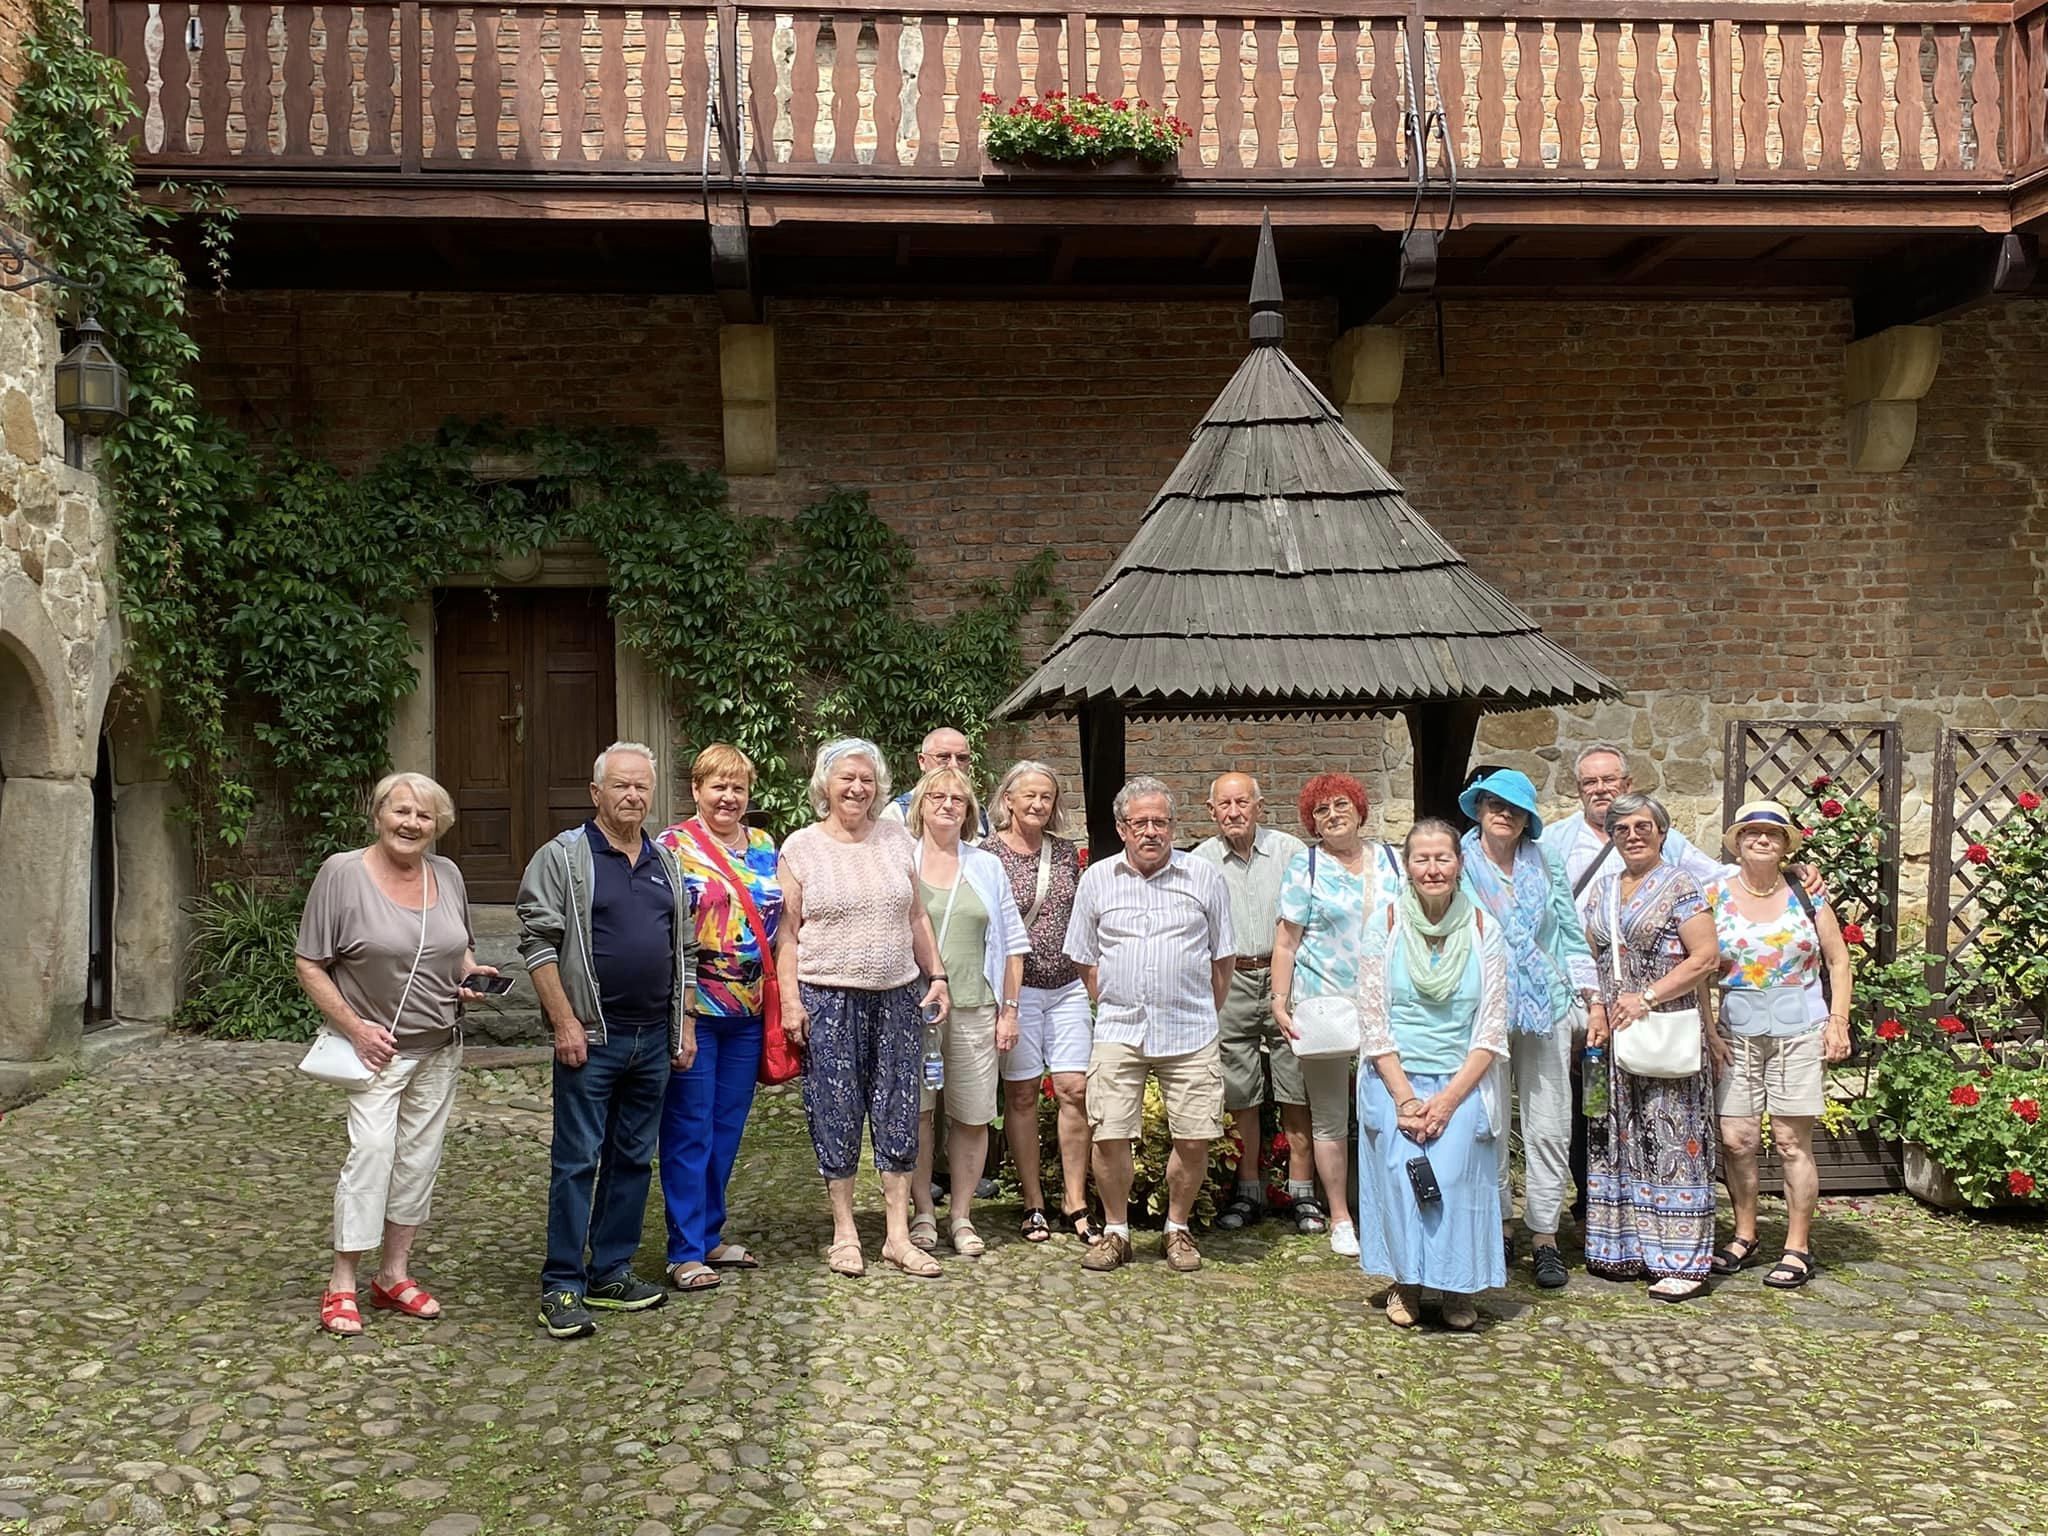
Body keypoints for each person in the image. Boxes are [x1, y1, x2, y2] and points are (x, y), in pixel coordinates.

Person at [297, 772, 496, 1337]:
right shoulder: (342, 873)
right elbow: (310, 962)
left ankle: (393, 1276)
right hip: (376, 1052)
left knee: (418, 1159)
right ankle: (341, 1283)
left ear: (438, 826)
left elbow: (458, 949)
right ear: (379, 814)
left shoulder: (447, 874)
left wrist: (470, 976)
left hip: (439, 1046)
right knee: (372, 1155)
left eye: (424, 816)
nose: (411, 823)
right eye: (401, 811)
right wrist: (355, 1027)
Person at [519, 742, 698, 1340]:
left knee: (631, 1159)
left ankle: (612, 1270)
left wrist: (686, 1024)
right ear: (596, 793)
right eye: (621, 786)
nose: (633, 796)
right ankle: (563, 1284)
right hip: (591, 1036)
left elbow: (686, 953)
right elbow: (539, 944)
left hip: (653, 1038)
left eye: (642, 787)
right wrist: (564, 1022)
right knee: (576, 1162)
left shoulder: (665, 863)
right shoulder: (564, 857)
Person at [777, 738, 951, 1279]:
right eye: (846, 778)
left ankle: (897, 1236)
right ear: (824, 786)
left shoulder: (897, 837)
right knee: (835, 1110)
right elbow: (786, 935)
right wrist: (788, 1000)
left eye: (867, 779)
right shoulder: (801, 847)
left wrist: (938, 975)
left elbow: (917, 916)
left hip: (897, 996)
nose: (857, 788)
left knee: (899, 1109)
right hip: (826, 997)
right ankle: (845, 1231)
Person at [1063, 776, 1234, 1273]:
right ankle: (1116, 1231)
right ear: (1122, 828)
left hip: (1190, 1029)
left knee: (1196, 1136)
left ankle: (1176, 1228)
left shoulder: (1202, 875)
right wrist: (1118, 999)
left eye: (1161, 822)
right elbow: (1085, 959)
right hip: (1120, 1028)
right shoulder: (1097, 879)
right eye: (1141, 823)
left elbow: (1221, 959)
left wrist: (1197, 1005)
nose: (1152, 832)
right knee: (1109, 1132)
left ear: (1174, 826)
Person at [1354, 819, 1510, 1330]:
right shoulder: (1386, 924)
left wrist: (1445, 1101)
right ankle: (1407, 1279)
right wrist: (1404, 1098)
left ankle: (1456, 1286)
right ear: (1408, 866)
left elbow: (1490, 1028)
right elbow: (1373, 1017)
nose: (1433, 867)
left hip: (1461, 1082)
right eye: (1421, 858)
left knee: (1456, 1179)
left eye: (1442, 857)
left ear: (1459, 864)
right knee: (1402, 1182)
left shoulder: (1485, 928)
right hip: (1394, 1077)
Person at [1456, 767, 1602, 1290]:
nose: (1504, 813)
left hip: (1547, 1004)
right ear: (1477, 808)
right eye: (1494, 803)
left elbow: (1569, 932)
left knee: (1549, 1123)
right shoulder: (1459, 862)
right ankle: (1499, 1225)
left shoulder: (1546, 862)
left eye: (1515, 808)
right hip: (1483, 1006)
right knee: (1489, 1123)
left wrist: (1594, 999)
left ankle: (1544, 1234)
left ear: (1527, 820)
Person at [1581, 793, 1728, 1302]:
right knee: (1611, 1133)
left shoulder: (1681, 885)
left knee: (1670, 1137)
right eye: (1622, 829)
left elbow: (1705, 957)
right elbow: (1589, 955)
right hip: (1609, 1033)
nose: (1633, 835)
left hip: (1665, 1025)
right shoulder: (1602, 890)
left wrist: (1646, 998)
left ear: (1662, 832)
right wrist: (1596, 1007)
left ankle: (1682, 1260)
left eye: (1644, 826)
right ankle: (1622, 1248)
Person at [1706, 799, 1855, 1290]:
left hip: (1799, 1029)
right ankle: (1745, 1234)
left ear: (1787, 843)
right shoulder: (1715, 893)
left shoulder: (1806, 894)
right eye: (1752, 832)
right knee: (1737, 1140)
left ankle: (1797, 1246)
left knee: (1792, 1142)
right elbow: (1700, 966)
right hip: (1737, 1033)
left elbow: (1838, 961)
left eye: (1773, 833)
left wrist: (1838, 1021)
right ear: (1738, 842)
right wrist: (1709, 1031)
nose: (1762, 839)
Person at [654, 742, 781, 1292]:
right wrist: (678, 1012)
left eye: (738, 788)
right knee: (689, 1128)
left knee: (727, 1130)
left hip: (750, 1011)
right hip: (696, 1010)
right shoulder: (672, 847)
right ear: (697, 791)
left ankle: (708, 1234)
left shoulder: (764, 845)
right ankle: (683, 1250)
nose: (729, 797)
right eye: (718, 786)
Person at [1270, 771, 1399, 1258]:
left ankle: (1383, 1207)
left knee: (1386, 1108)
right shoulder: (1305, 868)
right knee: (1329, 1117)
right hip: (1323, 1003)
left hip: (1387, 1003)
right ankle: (1341, 1217)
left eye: (1340, 804)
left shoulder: (1391, 860)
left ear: (1359, 809)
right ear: (1311, 823)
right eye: (1320, 810)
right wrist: (1279, 1001)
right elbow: (1286, 940)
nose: (1332, 816)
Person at [906, 767, 1030, 1257]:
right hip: (911, 1008)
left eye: (958, 798)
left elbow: (1013, 946)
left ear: (970, 810)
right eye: (937, 795)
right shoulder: (901, 859)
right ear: (920, 804)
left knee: (972, 1115)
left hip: (977, 1008)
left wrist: (1010, 1012)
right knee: (915, 1114)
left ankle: (960, 1215)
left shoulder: (986, 866)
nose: (947, 804)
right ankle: (920, 1212)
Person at [1189, 772, 1314, 1233]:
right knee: (1239, 1090)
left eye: (1243, 802)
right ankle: (1248, 1190)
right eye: (1225, 804)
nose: (1234, 812)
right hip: (1229, 977)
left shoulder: (1291, 853)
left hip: (1288, 977)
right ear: (1211, 810)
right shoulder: (1199, 861)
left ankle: (1302, 1191)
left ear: (1259, 806)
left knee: (1294, 1083)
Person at [986, 760, 1097, 1244]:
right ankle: (1033, 1201)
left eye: (1046, 797)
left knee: (1075, 1089)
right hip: (1019, 991)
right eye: (1028, 795)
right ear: (1007, 799)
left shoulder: (1067, 852)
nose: (1037, 804)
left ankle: (1075, 1199)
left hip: (1067, 985)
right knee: (1024, 1094)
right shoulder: (985, 854)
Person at [880, 726, 990, 837]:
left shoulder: (979, 815)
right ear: (922, 761)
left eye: (962, 758)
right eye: (944, 757)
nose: (954, 765)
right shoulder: (898, 813)